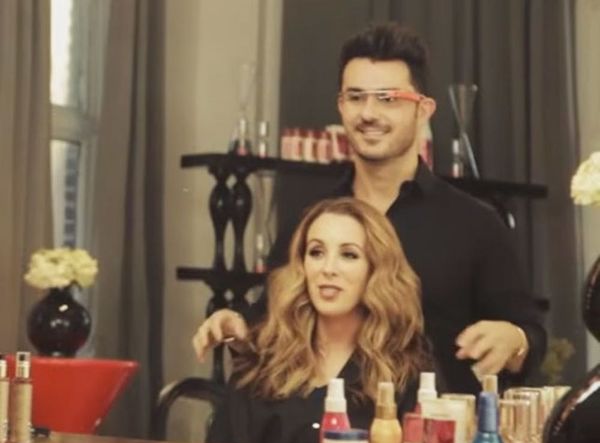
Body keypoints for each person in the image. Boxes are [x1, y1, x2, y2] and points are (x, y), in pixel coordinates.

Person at [193, 22, 546, 395]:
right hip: (324, 422)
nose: (368, 113)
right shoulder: (312, 221)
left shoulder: (474, 224)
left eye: (388, 99)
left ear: (423, 110)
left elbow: (531, 335)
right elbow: (272, 321)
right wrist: (238, 328)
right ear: (341, 106)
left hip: (434, 425)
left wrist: (515, 340)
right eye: (356, 97)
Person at [205, 197, 431, 443]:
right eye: (316, 252)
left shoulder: (407, 365)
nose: (328, 268)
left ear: (375, 270)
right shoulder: (262, 360)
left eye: (348, 255)